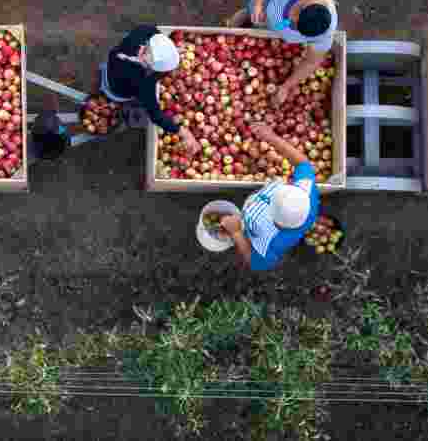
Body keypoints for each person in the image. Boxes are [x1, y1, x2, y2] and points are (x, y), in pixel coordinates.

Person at [225, 0, 338, 107]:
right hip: (266, 5)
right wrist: (259, 5)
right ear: (304, 3)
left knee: (268, 27)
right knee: (247, 13)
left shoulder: (325, 32)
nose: (289, 21)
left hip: (275, 27)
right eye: (294, 18)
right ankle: (231, 28)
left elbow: (311, 62)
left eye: (294, 27)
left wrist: (286, 86)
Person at [218, 122, 320, 271]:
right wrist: (271, 138)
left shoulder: (272, 243)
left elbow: (255, 263)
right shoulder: (306, 190)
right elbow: (303, 163)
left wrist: (236, 232)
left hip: (247, 229)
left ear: (274, 220)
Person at [102, 25, 200, 154]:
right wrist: (184, 132)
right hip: (116, 88)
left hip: (111, 60)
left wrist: (172, 52)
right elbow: (156, 115)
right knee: (133, 100)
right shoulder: (142, 82)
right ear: (152, 70)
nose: (142, 50)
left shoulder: (144, 32)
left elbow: (155, 39)